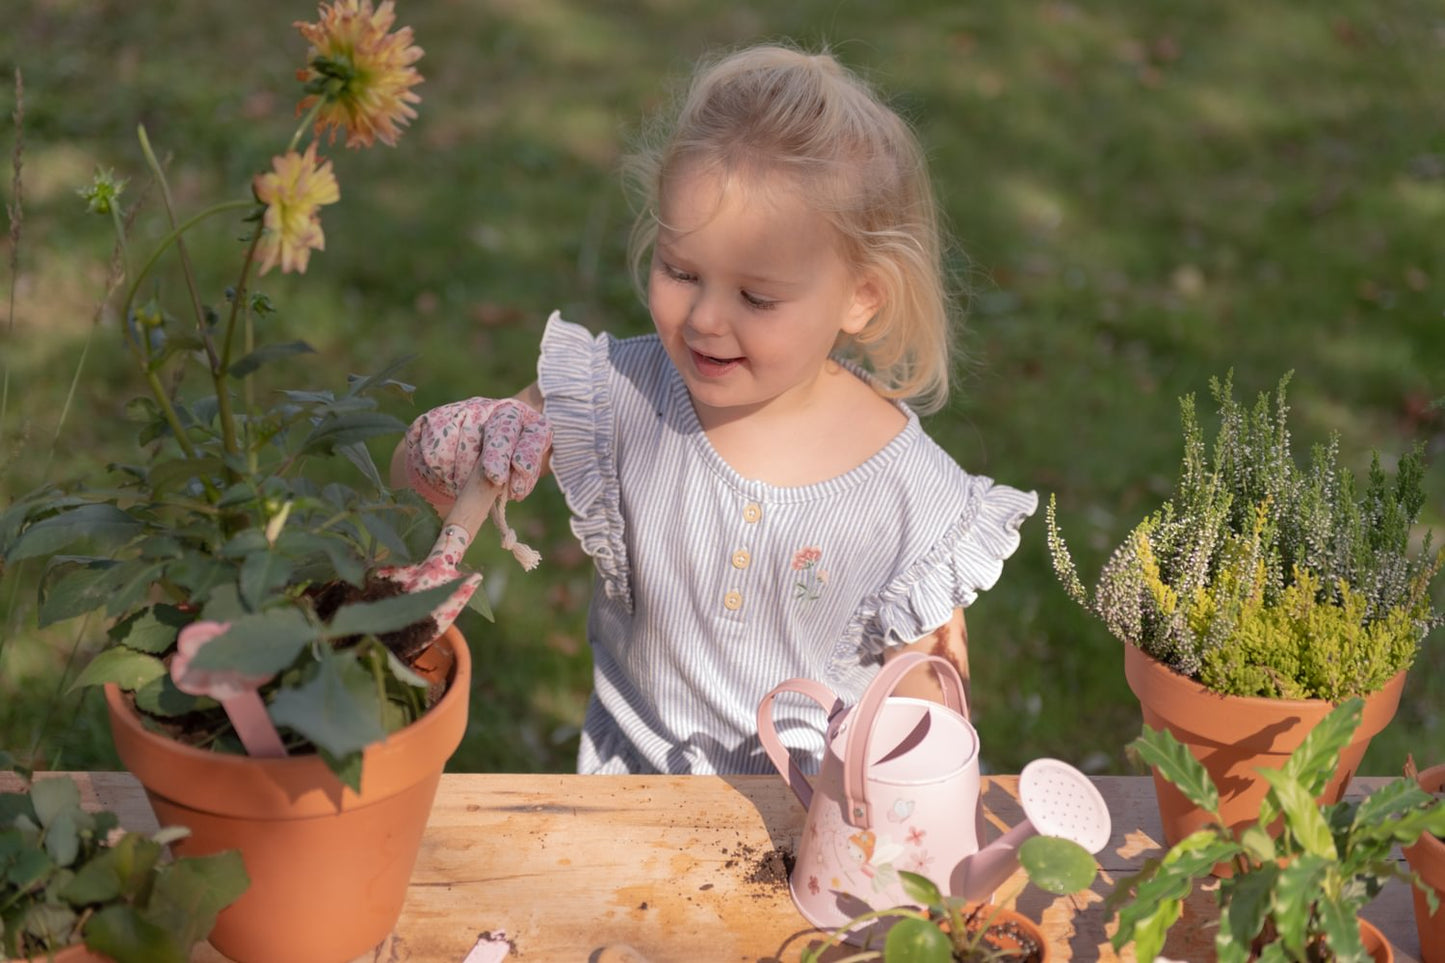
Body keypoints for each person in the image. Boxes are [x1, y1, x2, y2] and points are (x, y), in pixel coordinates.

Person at [391, 43, 1037, 776]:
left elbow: (921, 711)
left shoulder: (910, 499)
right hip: (627, 811)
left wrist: (904, 780)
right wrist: (466, 439)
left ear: (860, 297)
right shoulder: (622, 394)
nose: (704, 319)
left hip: (805, 841)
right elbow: (426, 477)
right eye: (680, 271)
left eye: (756, 297)